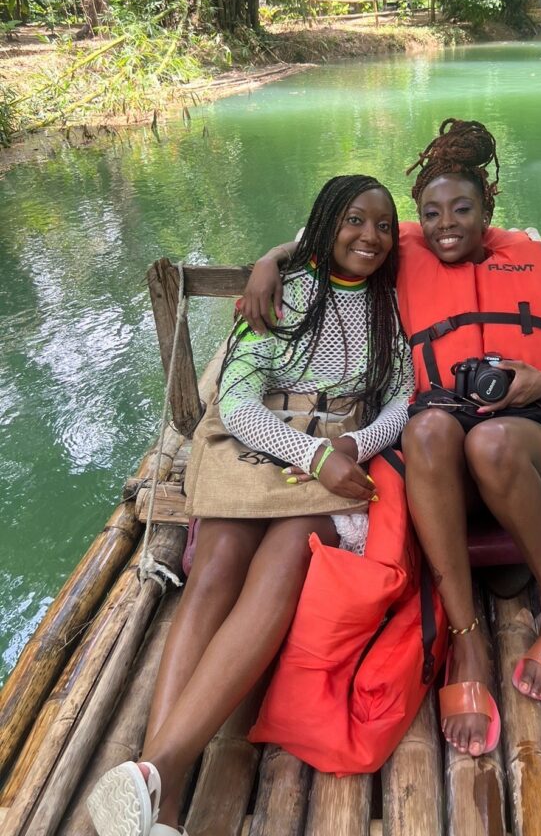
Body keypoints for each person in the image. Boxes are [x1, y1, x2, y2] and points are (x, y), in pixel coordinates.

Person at [242, 120, 541, 762]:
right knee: (428, 424)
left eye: (462, 209)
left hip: (532, 445)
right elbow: (316, 235)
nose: (446, 224)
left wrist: (536, 384)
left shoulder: (527, 265)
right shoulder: (403, 253)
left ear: (488, 206)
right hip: (446, 455)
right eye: (431, 212)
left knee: (491, 442)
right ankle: (467, 641)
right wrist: (268, 262)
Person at [87, 175, 414, 836]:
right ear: (323, 228)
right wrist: (312, 453)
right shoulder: (285, 295)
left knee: (291, 551)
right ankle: (164, 792)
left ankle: (154, 779)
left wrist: (351, 442)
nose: (371, 237)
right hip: (256, 443)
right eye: (354, 221)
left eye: (383, 226)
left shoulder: (390, 308)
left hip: (335, 451)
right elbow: (234, 403)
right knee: (215, 566)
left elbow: (403, 398)